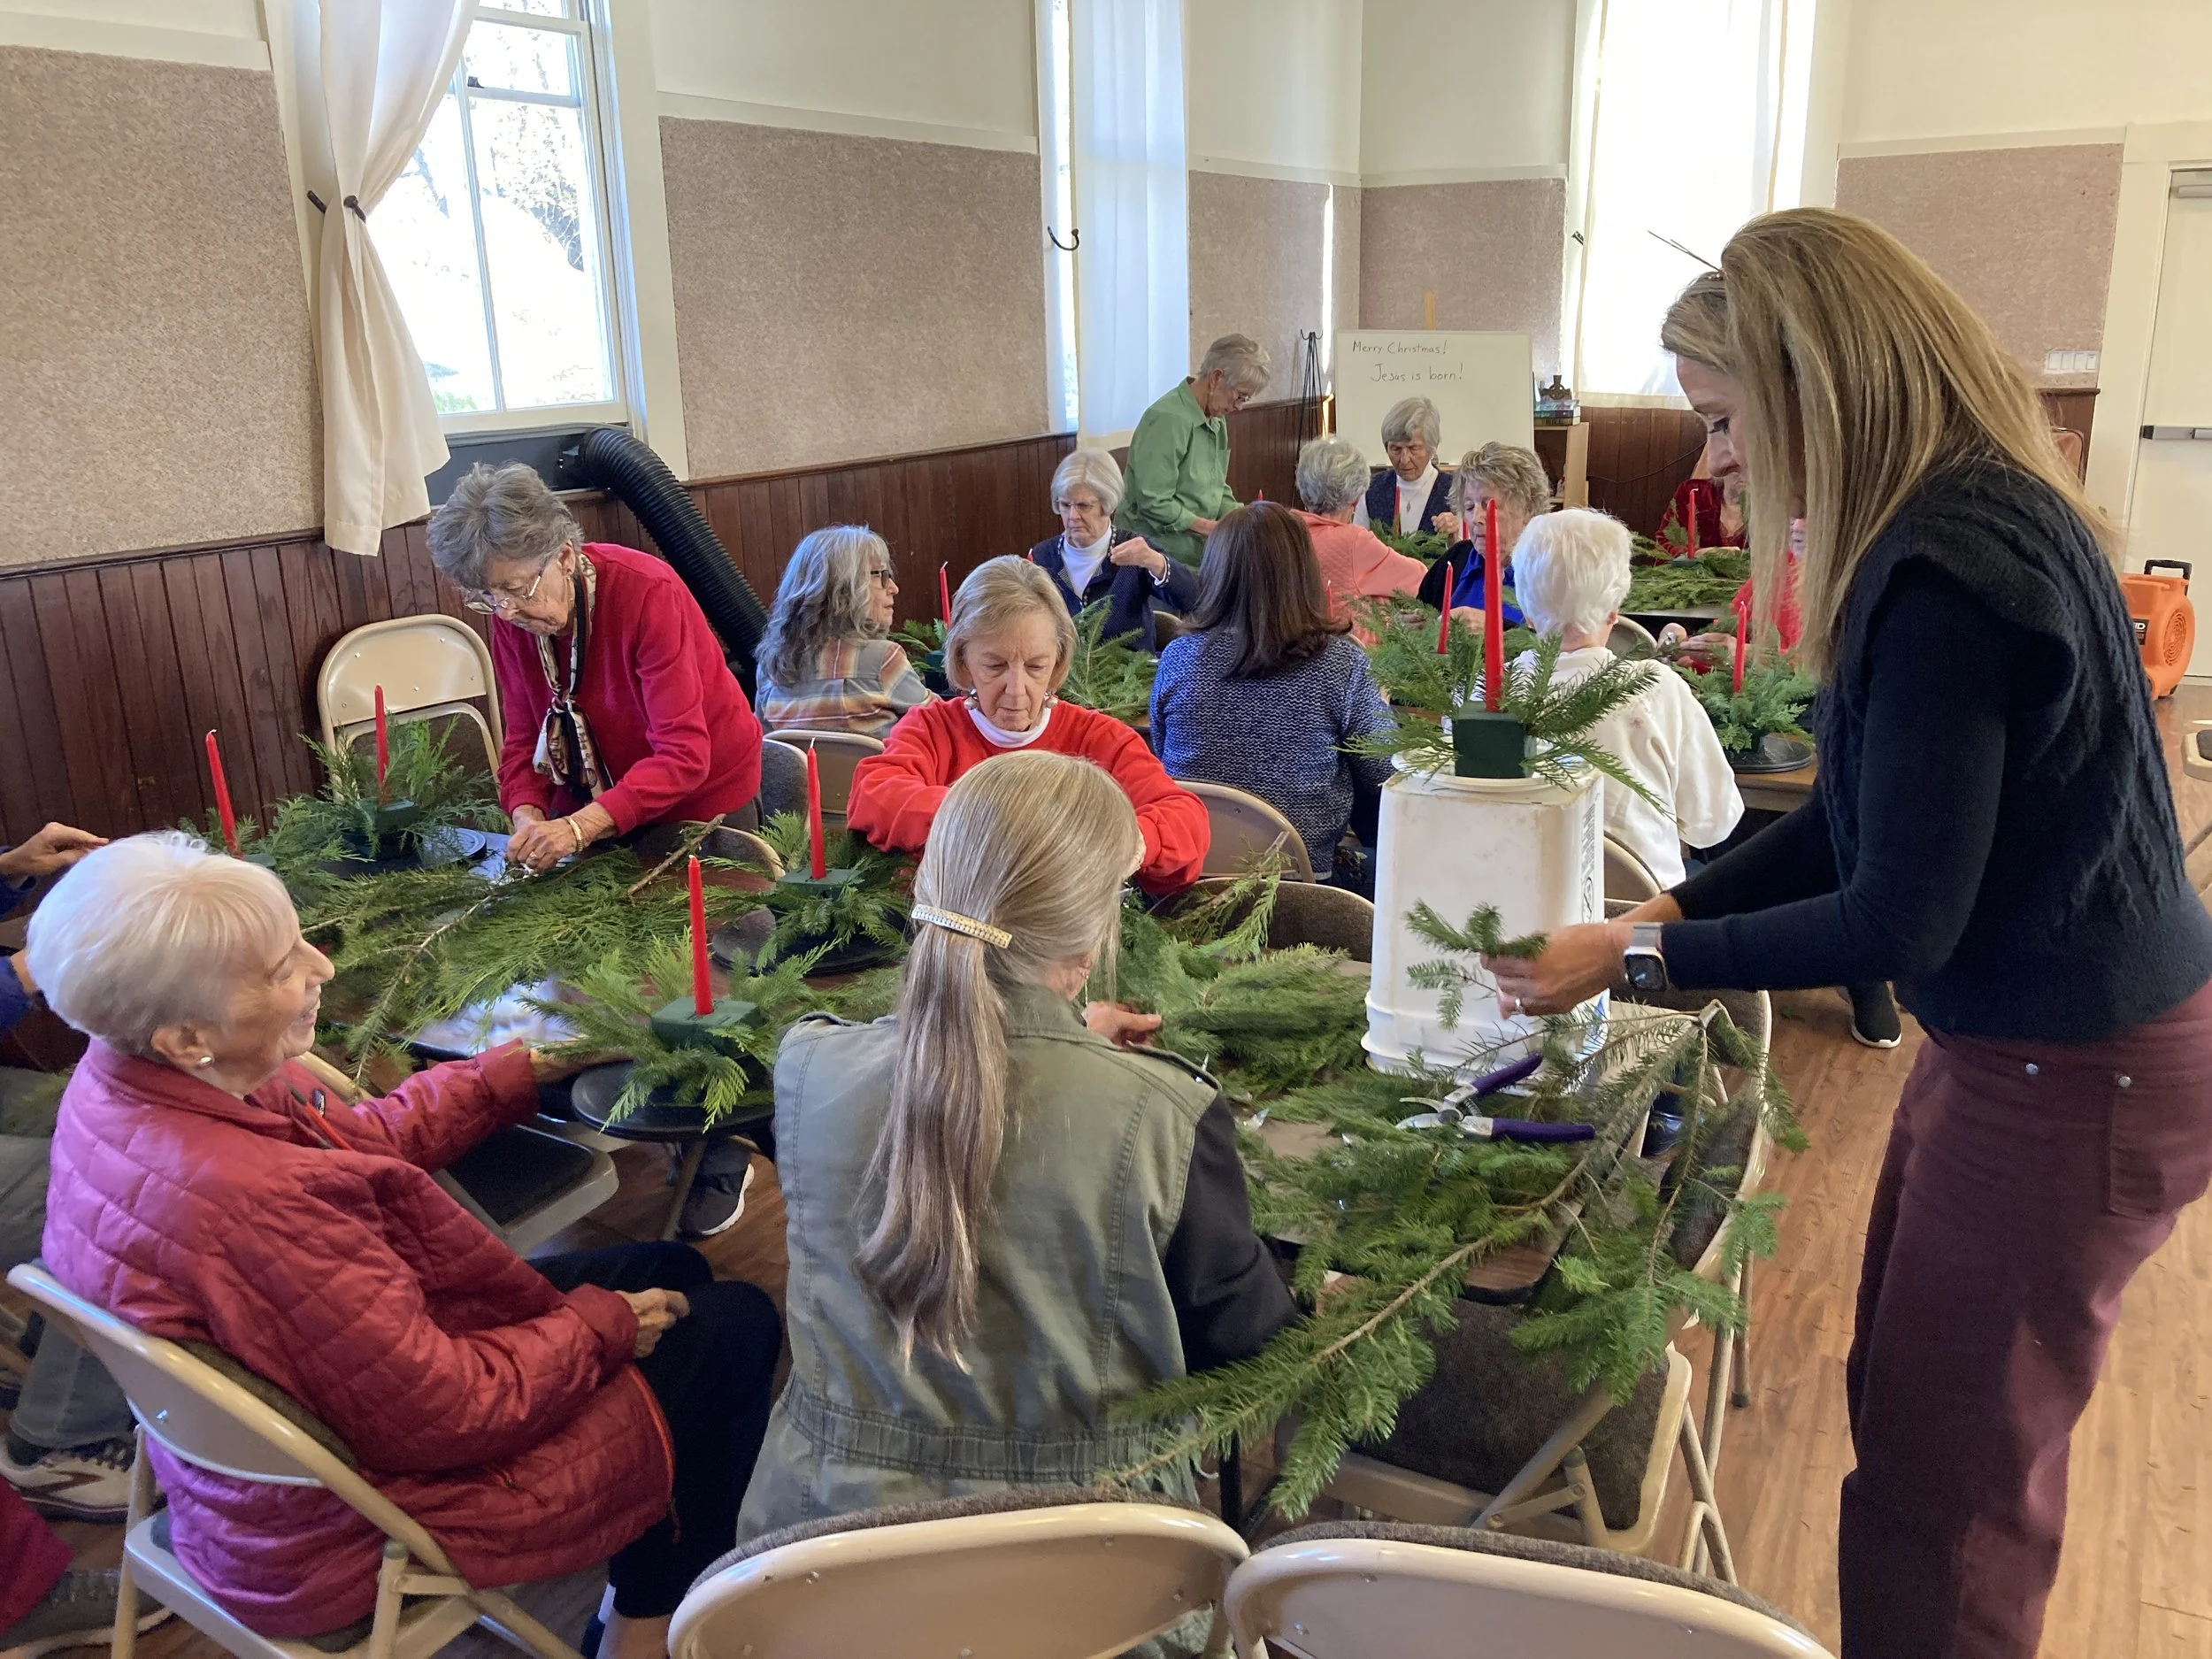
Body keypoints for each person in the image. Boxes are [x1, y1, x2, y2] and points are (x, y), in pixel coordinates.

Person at [1484, 210, 2212, 1659]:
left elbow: (1895, 910)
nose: (1713, 465)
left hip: (2076, 1069)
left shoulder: (1943, 573)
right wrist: (1672, 907)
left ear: (1815, 383)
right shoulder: (1954, 520)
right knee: (1912, 1419)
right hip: (2016, 1043)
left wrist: (1630, 962)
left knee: (1949, 1504)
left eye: (1724, 420)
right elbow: (1865, 816)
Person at [29, 833, 783, 1659]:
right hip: (352, 1522)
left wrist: (525, 1068)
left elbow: (361, 1142)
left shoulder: (132, 1080)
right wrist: (599, 1327)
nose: (320, 966)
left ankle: (648, 1569)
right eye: (283, 967)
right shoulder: (250, 1203)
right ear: (183, 1034)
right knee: (736, 1324)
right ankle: (644, 1624)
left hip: (265, 1477)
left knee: (669, 1268)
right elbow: (450, 1412)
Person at [740, 752, 1295, 1580]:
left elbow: (958, 1095)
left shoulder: (808, 1068)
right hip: (1092, 1573)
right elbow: (1247, 1350)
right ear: (1094, 923)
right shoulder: (1168, 1116)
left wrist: (1070, 1048)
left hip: (826, 1562)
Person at [426, 463, 764, 875]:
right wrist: (527, 816)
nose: (506, 610)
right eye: (487, 596)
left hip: (701, 804)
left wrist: (577, 828)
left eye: (515, 589)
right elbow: (523, 737)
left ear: (565, 557)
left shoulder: (646, 593)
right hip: (591, 809)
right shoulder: (513, 617)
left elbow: (684, 756)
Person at [847, 558, 1208, 895]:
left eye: (1036, 667)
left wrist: (1123, 840)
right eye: (995, 666)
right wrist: (992, 818)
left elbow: (1185, 820)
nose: (1017, 691)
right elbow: (874, 796)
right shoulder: (932, 728)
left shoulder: (1100, 739)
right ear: (962, 659)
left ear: (1058, 660)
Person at [1151, 504, 1395, 888]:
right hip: (1305, 887)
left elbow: (1164, 759)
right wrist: (1378, 704)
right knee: (1400, 866)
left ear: (1215, 573)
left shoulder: (1178, 659)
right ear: (1302, 573)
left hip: (1191, 880)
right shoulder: (1341, 664)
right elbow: (1387, 773)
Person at [1510, 510, 1741, 887]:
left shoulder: (1485, 696)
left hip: (1521, 906)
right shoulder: (1657, 690)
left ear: (1527, 612)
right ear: (1615, 609)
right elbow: (1713, 822)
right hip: (1640, 913)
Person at [754, 526, 932, 738]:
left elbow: (765, 749)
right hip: (872, 772)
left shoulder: (770, 669)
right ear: (844, 588)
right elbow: (940, 724)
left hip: (802, 773)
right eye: (881, 575)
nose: (893, 587)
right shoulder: (883, 659)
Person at [1115, 334, 1271, 567]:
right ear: (1216, 378)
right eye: (1240, 396)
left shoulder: (1216, 419)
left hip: (1196, 553)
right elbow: (1153, 502)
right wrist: (1209, 527)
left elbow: (1216, 489)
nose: (1239, 407)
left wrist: (1243, 519)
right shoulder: (1167, 418)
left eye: (1246, 399)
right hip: (1155, 556)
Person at [1029, 449, 1196, 651]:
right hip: (1064, 678)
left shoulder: (1135, 550)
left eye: (1083, 506)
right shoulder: (1042, 557)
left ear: (1107, 505)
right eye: (1065, 505)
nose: (1072, 515)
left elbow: (1193, 599)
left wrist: (1157, 563)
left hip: (1130, 677)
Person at [1290, 436, 1429, 626]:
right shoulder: (1353, 541)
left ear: (1304, 494)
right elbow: (1421, 579)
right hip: (1351, 651)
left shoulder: (1283, 532)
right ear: (1355, 498)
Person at [1415, 442, 1555, 625]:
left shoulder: (1549, 570)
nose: (1476, 518)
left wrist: (1496, 629)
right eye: (1469, 507)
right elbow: (1422, 616)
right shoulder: (1456, 559)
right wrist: (1414, 626)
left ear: (1527, 509)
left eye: (1488, 505)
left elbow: (1563, 646)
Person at [1351, 396, 1461, 539]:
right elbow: (1358, 547)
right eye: (1395, 448)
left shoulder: (1456, 491)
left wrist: (1454, 537)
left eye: (1413, 448)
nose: (1404, 460)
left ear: (1432, 448)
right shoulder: (1371, 489)